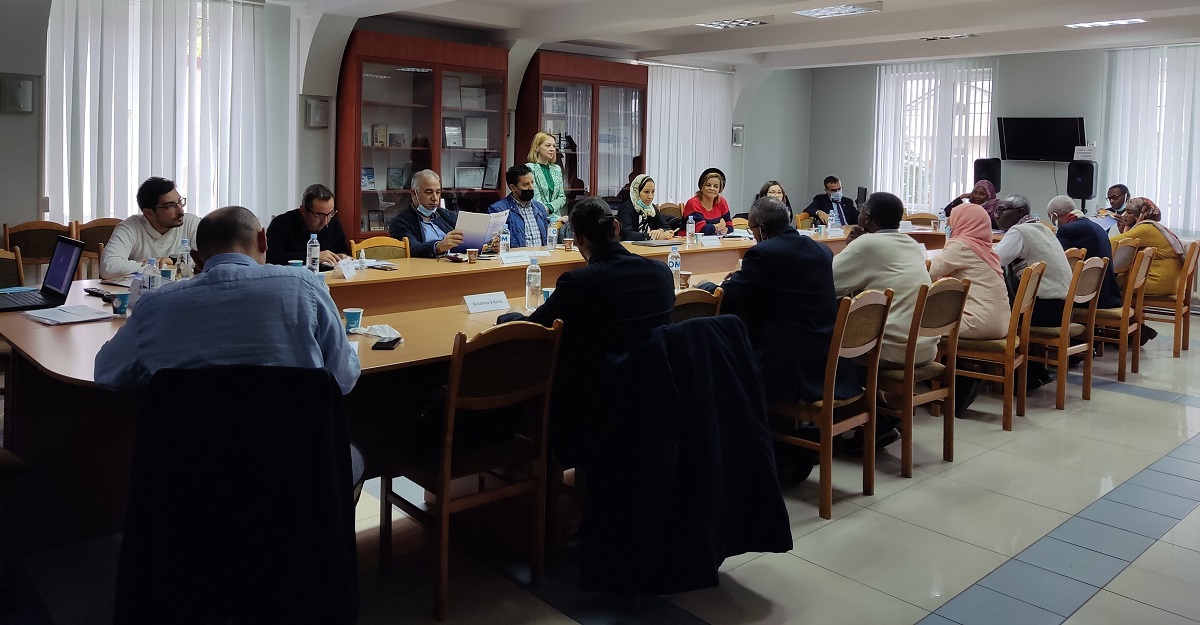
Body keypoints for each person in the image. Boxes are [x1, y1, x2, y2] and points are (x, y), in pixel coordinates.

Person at [95, 205, 360, 394]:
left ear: (196, 259)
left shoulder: (155, 306)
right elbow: (344, 378)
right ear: (263, 240)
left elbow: (106, 372)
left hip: (189, 455)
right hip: (298, 451)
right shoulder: (307, 287)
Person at [499, 197, 675, 464]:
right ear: (617, 227)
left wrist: (508, 317)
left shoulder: (578, 282)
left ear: (578, 239)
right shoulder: (661, 272)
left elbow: (533, 331)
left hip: (593, 405)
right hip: (652, 396)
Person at [713, 197, 858, 405]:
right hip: (830, 363)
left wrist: (710, 287)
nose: (754, 236)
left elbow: (730, 297)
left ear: (762, 229)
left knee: (721, 349)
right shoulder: (822, 250)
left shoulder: (763, 253)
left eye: (752, 230)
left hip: (790, 369)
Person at [833, 191, 937, 368]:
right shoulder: (911, 244)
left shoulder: (866, 244)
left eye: (862, 210)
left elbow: (827, 283)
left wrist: (852, 247)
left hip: (890, 351)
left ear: (867, 217)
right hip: (925, 349)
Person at [928, 202, 1011, 415]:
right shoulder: (984, 247)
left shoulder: (961, 246)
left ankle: (955, 385)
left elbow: (930, 273)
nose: (950, 226)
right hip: (1002, 323)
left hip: (979, 323)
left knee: (923, 328)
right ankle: (961, 379)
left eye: (952, 222)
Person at [993, 195, 1073, 389]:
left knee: (994, 317)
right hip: (1063, 308)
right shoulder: (1042, 228)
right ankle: (1034, 372)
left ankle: (1021, 375)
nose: (996, 215)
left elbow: (994, 261)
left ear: (1020, 212)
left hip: (1043, 309)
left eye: (1002, 210)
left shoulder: (1019, 231)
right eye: (995, 210)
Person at [100, 176, 201, 279]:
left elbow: (208, 260)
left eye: (179, 201)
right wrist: (162, 266)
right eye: (170, 206)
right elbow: (108, 267)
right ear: (149, 213)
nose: (181, 211)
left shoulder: (190, 222)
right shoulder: (130, 227)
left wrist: (173, 261)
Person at [1046, 195, 1122, 310]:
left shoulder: (1068, 230)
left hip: (1089, 299)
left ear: (1054, 216)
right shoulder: (1096, 226)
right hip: (1106, 294)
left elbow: (1057, 260)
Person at [1111, 197, 1185, 298]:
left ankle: (1107, 307)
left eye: (1129, 212)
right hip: (1170, 281)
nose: (1124, 216)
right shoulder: (1152, 226)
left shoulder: (1144, 229)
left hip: (1158, 282)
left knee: (1105, 281)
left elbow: (1111, 243)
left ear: (1142, 214)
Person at [265, 183, 351, 267]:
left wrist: (341, 256)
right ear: (303, 210)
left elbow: (342, 250)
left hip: (329, 274)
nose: (325, 222)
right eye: (319, 215)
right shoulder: (281, 224)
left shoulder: (334, 223)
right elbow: (271, 257)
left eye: (330, 214)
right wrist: (313, 257)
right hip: (294, 275)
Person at [387, 169, 465, 258]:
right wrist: (439, 246)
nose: (435, 198)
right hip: (426, 265)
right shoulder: (400, 222)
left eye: (438, 192)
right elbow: (411, 249)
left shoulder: (446, 215)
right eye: (428, 192)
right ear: (414, 194)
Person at [489, 165, 550, 248]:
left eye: (532, 182)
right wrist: (495, 245)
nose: (531, 187)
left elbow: (546, 238)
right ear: (513, 187)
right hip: (516, 255)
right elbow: (491, 242)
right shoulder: (499, 210)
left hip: (541, 255)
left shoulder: (539, 207)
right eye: (525, 184)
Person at [616, 174, 674, 241]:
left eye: (653, 192)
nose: (650, 196)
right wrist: (652, 236)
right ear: (636, 192)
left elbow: (667, 228)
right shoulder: (626, 208)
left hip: (649, 246)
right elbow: (627, 235)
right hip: (630, 247)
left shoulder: (652, 209)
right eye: (646, 192)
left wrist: (660, 231)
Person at [526, 132, 567, 220]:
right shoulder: (529, 168)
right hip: (537, 218)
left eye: (554, 146)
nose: (552, 149)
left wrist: (550, 209)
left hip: (557, 219)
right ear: (537, 148)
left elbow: (562, 197)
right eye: (548, 146)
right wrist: (552, 217)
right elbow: (534, 198)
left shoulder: (556, 169)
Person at [682, 168, 733, 235]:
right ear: (701, 187)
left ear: (720, 190)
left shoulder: (721, 201)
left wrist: (723, 231)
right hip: (689, 240)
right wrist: (720, 225)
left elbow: (730, 225)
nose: (712, 188)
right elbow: (701, 230)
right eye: (708, 185)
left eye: (716, 186)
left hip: (715, 239)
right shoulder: (693, 203)